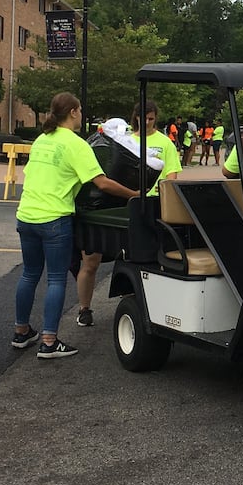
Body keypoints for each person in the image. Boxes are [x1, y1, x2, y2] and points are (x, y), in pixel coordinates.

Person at [13, 92, 138, 358]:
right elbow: (101, 182)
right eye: (80, 110)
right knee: (56, 278)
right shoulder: (78, 145)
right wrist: (135, 195)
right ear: (72, 112)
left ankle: (21, 332)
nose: (81, 115)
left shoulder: (41, 140)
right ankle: (49, 341)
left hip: (26, 215)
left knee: (29, 274)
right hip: (54, 218)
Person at [73, 106, 178, 327]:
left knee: (136, 258)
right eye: (143, 118)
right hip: (115, 203)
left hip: (147, 205)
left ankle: (133, 304)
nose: (147, 122)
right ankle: (84, 308)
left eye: (151, 119)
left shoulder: (165, 143)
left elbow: (172, 176)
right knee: (90, 261)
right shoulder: (123, 140)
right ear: (136, 117)